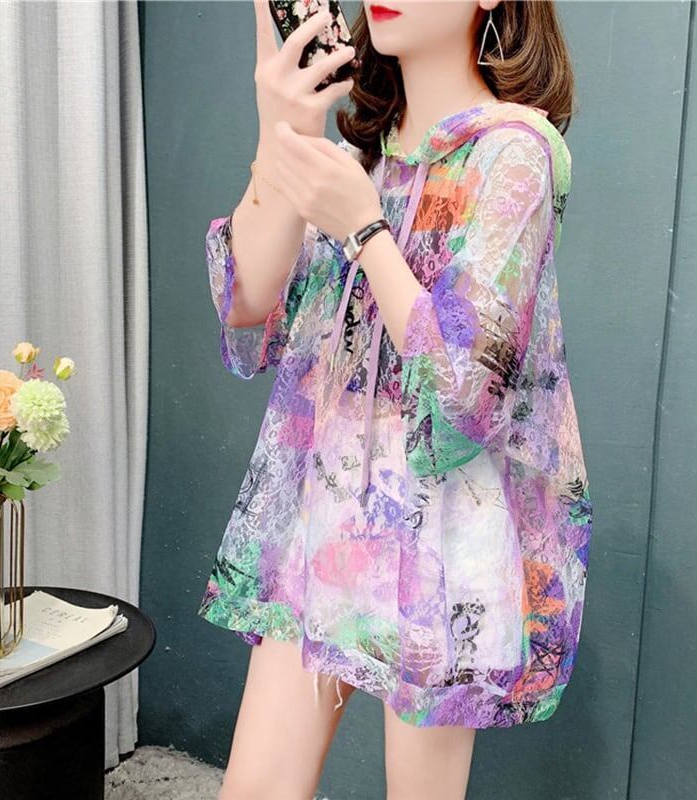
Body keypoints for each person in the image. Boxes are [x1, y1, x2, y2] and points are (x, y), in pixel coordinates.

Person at [198, 2, 594, 798]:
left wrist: (364, 229)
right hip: (326, 514)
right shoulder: (359, 154)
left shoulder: (514, 152)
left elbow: (466, 390)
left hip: (447, 538)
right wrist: (282, 129)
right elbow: (247, 304)